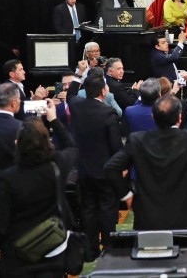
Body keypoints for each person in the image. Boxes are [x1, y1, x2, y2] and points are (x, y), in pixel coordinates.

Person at [105, 95, 187, 230]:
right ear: (179, 118)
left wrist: (127, 195)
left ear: (153, 118)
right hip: (184, 218)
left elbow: (111, 167)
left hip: (146, 219)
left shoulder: (137, 140)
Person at [0, 102, 78, 278]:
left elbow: (1, 221)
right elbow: (71, 146)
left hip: (18, 252)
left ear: (17, 143)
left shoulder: (8, 178)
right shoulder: (57, 165)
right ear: (47, 141)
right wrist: (53, 120)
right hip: (53, 247)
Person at [69, 72, 123, 259]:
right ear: (103, 91)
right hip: (105, 170)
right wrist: (121, 166)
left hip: (83, 169)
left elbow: (70, 95)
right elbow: (116, 144)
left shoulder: (76, 106)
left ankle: (91, 250)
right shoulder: (108, 111)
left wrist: (78, 74)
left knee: (89, 209)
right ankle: (108, 248)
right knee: (108, 208)